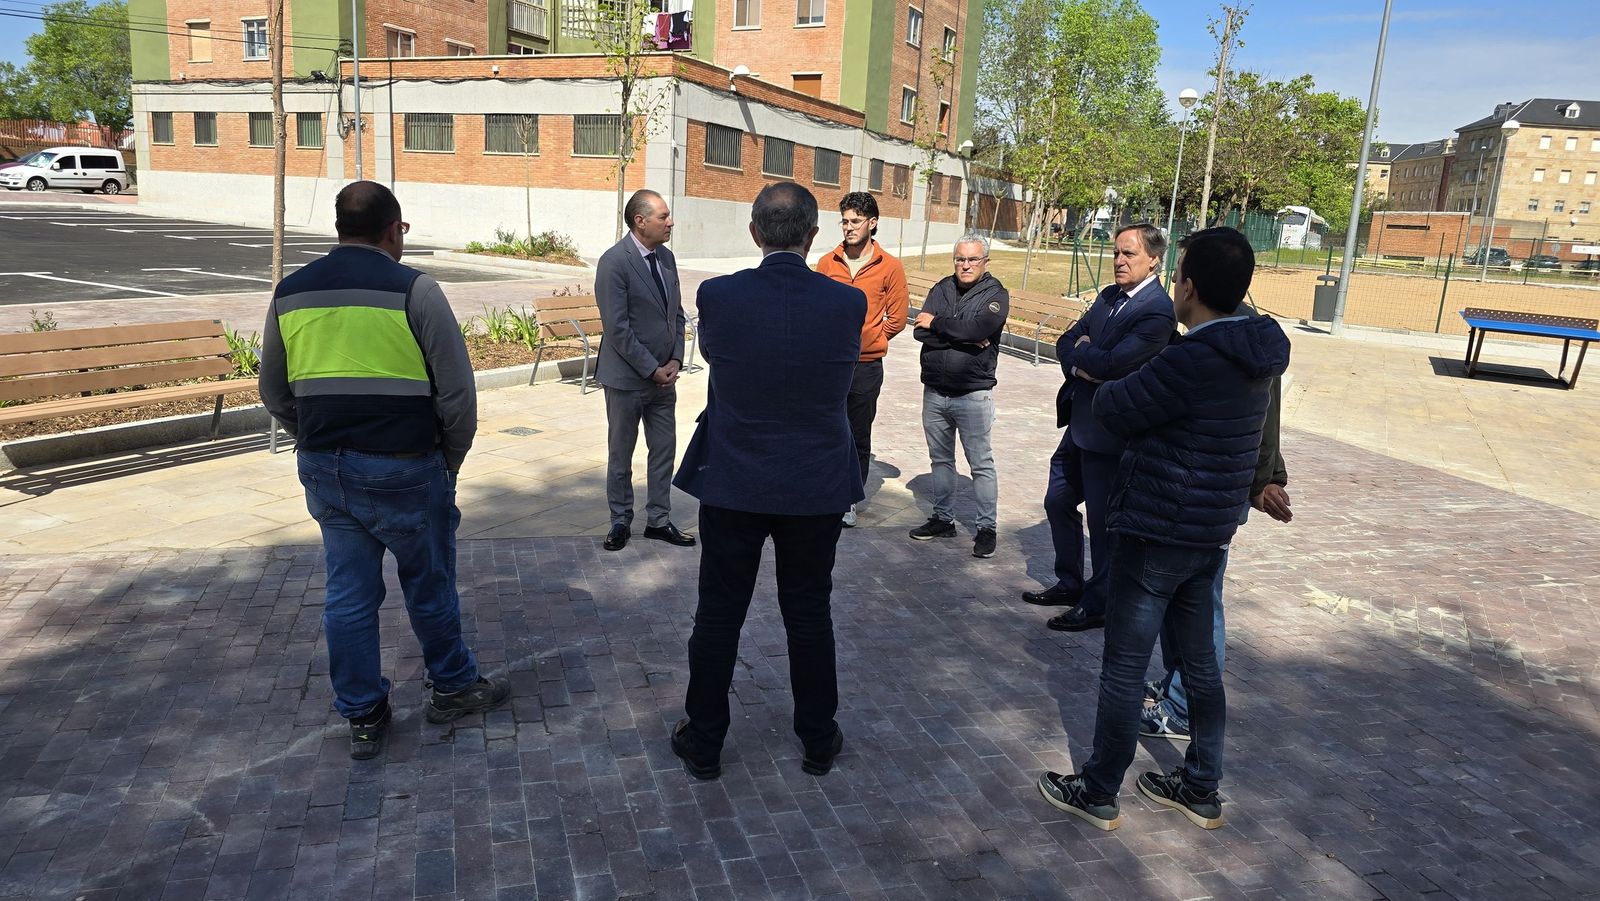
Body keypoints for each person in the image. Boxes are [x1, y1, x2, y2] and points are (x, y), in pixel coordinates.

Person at [1037, 227, 1291, 832]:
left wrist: (1104, 373)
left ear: (1190, 287)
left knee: (1125, 665)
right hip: (1210, 533)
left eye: (1178, 275)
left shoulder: (1191, 357)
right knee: (1200, 665)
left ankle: (1099, 788)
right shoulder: (1257, 353)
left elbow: (1117, 406)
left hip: (1157, 530)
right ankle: (1200, 784)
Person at [259, 181, 510, 761]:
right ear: (393, 229)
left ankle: (364, 715)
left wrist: (315, 441)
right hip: (407, 469)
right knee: (429, 582)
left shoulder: (290, 293)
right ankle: (451, 684)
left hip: (328, 471)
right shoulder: (415, 290)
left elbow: (275, 390)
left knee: (348, 595)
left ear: (339, 228)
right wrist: (450, 460)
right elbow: (456, 392)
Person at [670, 183, 866, 780]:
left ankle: (704, 741)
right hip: (815, 482)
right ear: (813, 237)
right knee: (808, 612)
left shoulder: (719, 296)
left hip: (736, 479)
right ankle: (818, 738)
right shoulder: (847, 303)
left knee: (720, 612)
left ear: (754, 233)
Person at [1141, 315, 1293, 741]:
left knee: (1203, 604)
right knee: (1185, 600)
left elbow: (1267, 417)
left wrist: (1265, 479)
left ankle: (1186, 707)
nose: (1176, 282)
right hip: (1207, 493)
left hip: (1213, 495)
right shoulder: (1224, 334)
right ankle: (1177, 684)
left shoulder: (1240, 338)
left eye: (1182, 271)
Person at [1031, 223, 1176, 631]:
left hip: (1111, 434)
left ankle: (1100, 603)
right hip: (1078, 424)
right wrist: (1083, 362)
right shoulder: (1108, 296)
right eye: (1116, 253)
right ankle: (1069, 581)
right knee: (1057, 501)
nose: (1118, 261)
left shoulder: (1157, 311)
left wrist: (1088, 357)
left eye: (1129, 254)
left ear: (1153, 259)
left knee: (1102, 522)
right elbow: (1065, 342)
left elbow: (1115, 366)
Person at [596, 189, 694, 552]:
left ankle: (658, 520)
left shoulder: (665, 258)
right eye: (663, 217)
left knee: (664, 449)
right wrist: (652, 368)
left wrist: (676, 361)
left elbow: (677, 314)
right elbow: (617, 328)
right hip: (627, 379)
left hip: (664, 380)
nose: (670, 222)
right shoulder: (614, 262)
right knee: (621, 453)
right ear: (640, 221)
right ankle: (620, 520)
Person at [909, 235, 1009, 559]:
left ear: (985, 262)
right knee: (940, 460)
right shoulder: (941, 288)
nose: (965, 265)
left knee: (981, 464)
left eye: (972, 259)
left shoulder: (995, 294)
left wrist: (939, 324)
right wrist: (962, 337)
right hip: (935, 392)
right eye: (960, 259)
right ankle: (942, 519)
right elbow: (918, 331)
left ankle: (986, 528)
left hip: (973, 395)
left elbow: (978, 330)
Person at [814, 192, 910, 528]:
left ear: (872, 223)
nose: (849, 227)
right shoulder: (828, 263)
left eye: (856, 221)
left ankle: (848, 499)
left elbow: (897, 317)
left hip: (866, 368)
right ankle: (824, 489)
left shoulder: (890, 266)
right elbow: (816, 306)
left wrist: (874, 339)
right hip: (829, 365)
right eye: (844, 221)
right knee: (826, 429)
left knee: (857, 434)